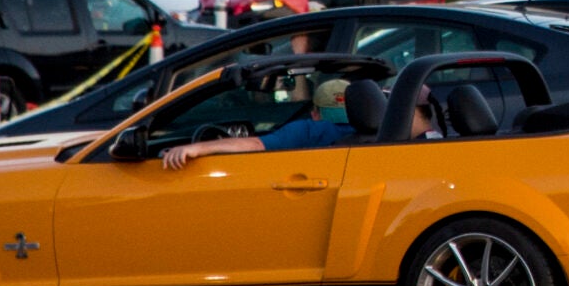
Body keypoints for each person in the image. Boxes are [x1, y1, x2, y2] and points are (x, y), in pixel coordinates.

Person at [159, 79, 432, 169]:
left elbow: (255, 144)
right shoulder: (390, 136)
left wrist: (199, 149)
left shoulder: (310, 130)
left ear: (316, 112)